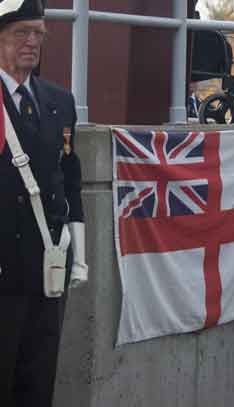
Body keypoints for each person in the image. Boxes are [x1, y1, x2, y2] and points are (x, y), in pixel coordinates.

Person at [0, 1, 88, 406]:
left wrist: (79, 254)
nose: (31, 42)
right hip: (4, 262)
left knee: (39, 376)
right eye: (21, 33)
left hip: (47, 263)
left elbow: (69, 179)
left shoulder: (59, 100)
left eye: (38, 34)